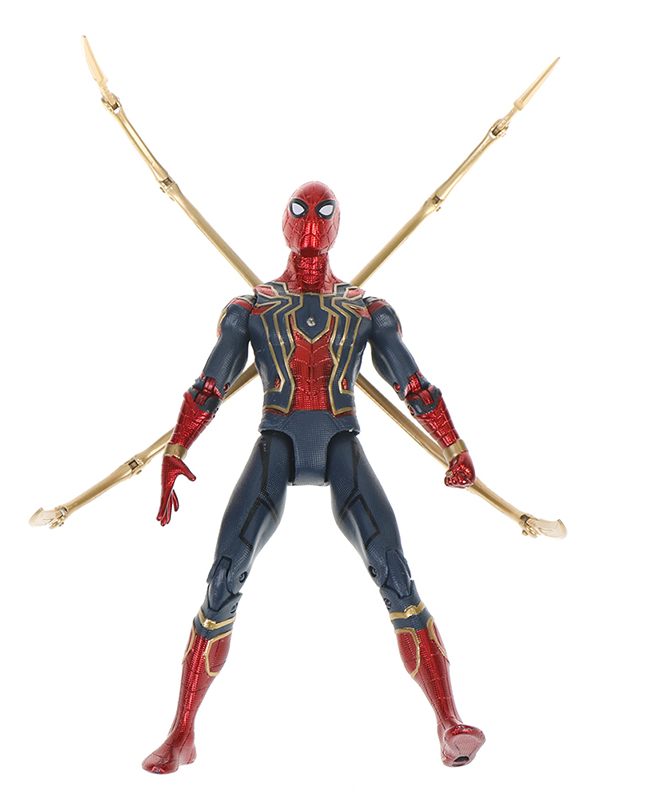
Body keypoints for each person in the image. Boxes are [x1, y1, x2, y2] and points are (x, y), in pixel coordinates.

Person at [143, 181, 484, 773]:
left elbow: (412, 384)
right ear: (283, 222)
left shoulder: (366, 309)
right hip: (276, 443)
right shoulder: (252, 307)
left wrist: (453, 444)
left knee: (395, 574)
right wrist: (176, 449)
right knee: (224, 578)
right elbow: (210, 385)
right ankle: (182, 731)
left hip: (340, 443)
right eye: (299, 212)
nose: (310, 227)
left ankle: (448, 721)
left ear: (337, 225)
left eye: (323, 214)